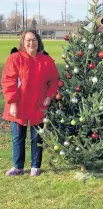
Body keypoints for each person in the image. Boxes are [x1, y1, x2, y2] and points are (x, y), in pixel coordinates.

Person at [1, 30, 59, 176]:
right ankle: (18, 166)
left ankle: (35, 166)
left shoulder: (46, 60)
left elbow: (54, 81)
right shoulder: (15, 58)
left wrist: (49, 96)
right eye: (28, 40)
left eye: (33, 40)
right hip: (18, 105)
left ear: (38, 41)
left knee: (36, 137)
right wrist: (13, 103)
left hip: (38, 104)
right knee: (18, 137)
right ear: (23, 41)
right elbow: (9, 81)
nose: (31, 43)